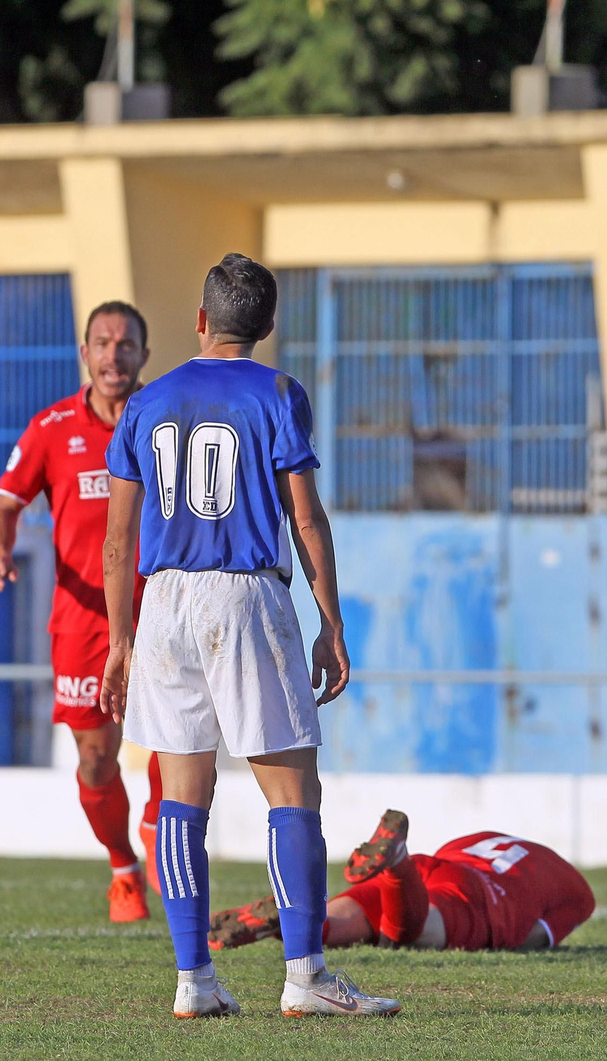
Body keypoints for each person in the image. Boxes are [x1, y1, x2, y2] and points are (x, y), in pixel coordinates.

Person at [99, 253, 399, 1019]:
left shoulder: (146, 402)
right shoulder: (277, 393)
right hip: (243, 593)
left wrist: (120, 638)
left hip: (163, 600)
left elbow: (118, 537)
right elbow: (306, 517)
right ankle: (306, 976)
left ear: (201, 320)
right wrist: (331, 622)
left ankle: (193, 982)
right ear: (266, 326)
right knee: (293, 792)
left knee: (181, 794)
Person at [0, 301, 162, 923]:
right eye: (102, 343)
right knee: (95, 758)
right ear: (85, 354)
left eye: (126, 344)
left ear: (143, 354)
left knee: (178, 733)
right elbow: (5, 506)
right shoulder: (52, 428)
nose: (114, 355)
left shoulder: (165, 419)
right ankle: (122, 866)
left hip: (162, 612)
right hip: (83, 621)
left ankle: (158, 822)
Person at [210, 810, 596, 954]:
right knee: (413, 933)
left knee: (347, 922)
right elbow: (535, 937)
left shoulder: (487, 837)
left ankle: (281, 922)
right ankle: (397, 863)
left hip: (439, 863)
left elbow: (448, 854)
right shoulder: (578, 890)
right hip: (477, 893)